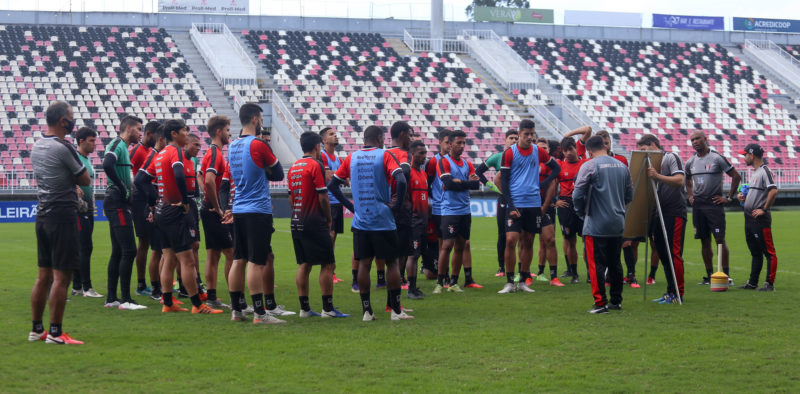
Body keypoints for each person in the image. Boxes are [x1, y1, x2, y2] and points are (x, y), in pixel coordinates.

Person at [137, 119, 222, 314]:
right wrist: (184, 200)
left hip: (161, 210)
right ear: (174, 134)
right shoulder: (174, 152)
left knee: (168, 257)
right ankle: (197, 305)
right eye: (184, 131)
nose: (187, 134)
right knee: (187, 260)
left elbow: (142, 180)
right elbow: (178, 173)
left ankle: (167, 303)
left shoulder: (159, 154)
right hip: (174, 212)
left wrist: (155, 200)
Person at [328, 125, 413, 321]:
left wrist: (350, 206)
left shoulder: (351, 158)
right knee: (391, 263)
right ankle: (396, 311)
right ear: (380, 138)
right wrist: (397, 205)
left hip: (361, 221)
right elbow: (401, 180)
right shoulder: (384, 155)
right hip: (382, 218)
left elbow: (332, 184)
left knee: (364, 264)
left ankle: (367, 311)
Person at [29, 101, 91, 344]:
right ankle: (55, 332)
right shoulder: (64, 147)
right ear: (63, 121)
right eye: (71, 117)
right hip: (63, 215)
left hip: (42, 213)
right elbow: (84, 179)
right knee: (61, 277)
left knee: (42, 275)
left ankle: (36, 329)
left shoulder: (38, 145)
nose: (73, 121)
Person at [227, 103, 291, 324]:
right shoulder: (258, 145)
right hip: (257, 209)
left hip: (239, 208)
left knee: (238, 259)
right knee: (256, 261)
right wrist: (264, 168)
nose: (262, 121)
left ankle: (236, 310)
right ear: (255, 118)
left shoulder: (233, 146)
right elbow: (278, 174)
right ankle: (259, 313)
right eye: (261, 117)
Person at [289, 132, 350, 318]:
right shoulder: (315, 165)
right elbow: (323, 196)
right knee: (328, 263)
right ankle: (328, 309)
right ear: (317, 146)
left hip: (297, 220)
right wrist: (328, 218)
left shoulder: (293, 167)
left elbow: (291, 197)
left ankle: (304, 309)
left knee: (304, 264)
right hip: (314, 220)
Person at [497, 120, 560, 294]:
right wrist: (510, 205)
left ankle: (523, 280)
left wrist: (545, 183)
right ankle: (510, 282)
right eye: (527, 134)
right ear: (519, 134)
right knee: (510, 240)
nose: (530, 137)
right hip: (516, 203)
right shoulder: (510, 153)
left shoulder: (538, 151)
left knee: (528, 242)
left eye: (532, 133)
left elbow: (555, 168)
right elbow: (504, 180)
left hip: (533, 204)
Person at [573, 136, 633, 314]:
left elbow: (577, 194)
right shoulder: (622, 166)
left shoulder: (590, 165)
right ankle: (616, 301)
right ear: (604, 147)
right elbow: (630, 194)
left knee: (596, 264)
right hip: (617, 222)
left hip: (596, 223)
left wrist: (581, 211)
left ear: (589, 151)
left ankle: (600, 303)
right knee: (615, 263)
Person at [637, 135, 687, 305]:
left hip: (674, 211)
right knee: (662, 253)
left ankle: (678, 292)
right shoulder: (651, 164)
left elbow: (680, 180)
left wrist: (657, 176)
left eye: (644, 150)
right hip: (658, 213)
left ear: (652, 144)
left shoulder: (671, 157)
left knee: (673, 253)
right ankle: (670, 291)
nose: (643, 154)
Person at [685, 131, 741, 285]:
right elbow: (687, 179)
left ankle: (725, 275)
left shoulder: (717, 158)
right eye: (692, 140)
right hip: (698, 206)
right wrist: (690, 195)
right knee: (704, 241)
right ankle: (710, 275)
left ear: (705, 139)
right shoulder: (690, 162)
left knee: (719, 239)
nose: (695, 142)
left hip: (714, 205)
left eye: (697, 138)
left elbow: (736, 176)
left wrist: (729, 197)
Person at [102, 115, 146, 310]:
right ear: (128, 128)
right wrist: (121, 187)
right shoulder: (118, 144)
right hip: (117, 203)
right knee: (129, 250)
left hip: (118, 202)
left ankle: (112, 298)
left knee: (119, 251)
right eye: (138, 129)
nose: (140, 133)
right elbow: (107, 164)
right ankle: (126, 299)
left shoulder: (124, 148)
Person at [431, 130, 481, 293]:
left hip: (465, 211)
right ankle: (440, 282)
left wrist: (459, 182)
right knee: (447, 245)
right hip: (450, 210)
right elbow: (448, 183)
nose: (462, 146)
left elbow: (476, 185)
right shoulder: (443, 161)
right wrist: (463, 183)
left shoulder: (467, 164)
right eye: (458, 143)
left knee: (461, 245)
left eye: (463, 143)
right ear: (450, 144)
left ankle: (453, 282)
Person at [200, 116, 234, 309]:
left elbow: (202, 177)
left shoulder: (213, 153)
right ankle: (236, 297)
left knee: (213, 255)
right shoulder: (215, 153)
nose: (230, 134)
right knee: (231, 253)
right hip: (212, 209)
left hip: (207, 208)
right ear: (219, 131)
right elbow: (209, 181)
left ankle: (212, 297)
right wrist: (218, 207)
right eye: (228, 130)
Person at [476, 129, 518, 277]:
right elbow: (478, 171)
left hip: (519, 199)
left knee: (519, 234)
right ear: (505, 140)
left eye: (516, 138)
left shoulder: (520, 157)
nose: (514, 140)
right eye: (511, 138)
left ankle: (521, 268)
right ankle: (501, 267)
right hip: (503, 199)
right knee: (502, 233)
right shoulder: (497, 157)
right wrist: (490, 185)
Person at [736, 144, 779, 292]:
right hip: (749, 219)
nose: (744, 157)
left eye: (745, 154)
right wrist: (744, 197)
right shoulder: (756, 172)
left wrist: (764, 209)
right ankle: (752, 282)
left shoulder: (764, 171)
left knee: (769, 252)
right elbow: (758, 194)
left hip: (760, 220)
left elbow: (773, 191)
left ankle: (769, 284)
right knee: (755, 252)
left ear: (752, 155)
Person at [133, 125, 167, 301]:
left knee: (157, 247)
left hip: (148, 203)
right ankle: (153, 288)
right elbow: (138, 179)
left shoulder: (154, 154)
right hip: (146, 204)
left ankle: (158, 286)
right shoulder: (149, 154)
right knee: (155, 247)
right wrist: (152, 200)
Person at [70, 127, 103, 298]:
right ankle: (86, 287)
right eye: (91, 140)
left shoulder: (85, 159)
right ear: (81, 141)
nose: (94, 144)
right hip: (78, 208)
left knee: (81, 247)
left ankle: (77, 286)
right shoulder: (74, 157)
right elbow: (66, 175)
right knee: (85, 246)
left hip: (88, 208)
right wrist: (74, 187)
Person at [129, 120, 160, 296]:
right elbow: (131, 176)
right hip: (140, 199)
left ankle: (156, 281)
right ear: (150, 134)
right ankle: (141, 283)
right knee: (144, 242)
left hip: (149, 197)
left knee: (153, 242)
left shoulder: (150, 151)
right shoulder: (137, 151)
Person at [555, 137, 587, 284]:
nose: (568, 153)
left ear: (576, 148)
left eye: (570, 149)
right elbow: (553, 185)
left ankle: (590, 273)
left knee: (587, 241)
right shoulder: (560, 166)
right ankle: (574, 274)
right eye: (565, 150)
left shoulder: (585, 164)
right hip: (566, 205)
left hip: (583, 204)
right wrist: (556, 201)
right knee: (570, 241)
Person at [318, 127, 346, 285]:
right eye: (331, 134)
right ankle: (327, 270)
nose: (335, 136)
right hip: (328, 201)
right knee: (329, 236)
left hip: (337, 202)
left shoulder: (338, 158)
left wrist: (338, 176)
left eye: (335, 133)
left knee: (333, 237)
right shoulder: (322, 156)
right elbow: (329, 177)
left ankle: (331, 271)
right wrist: (339, 176)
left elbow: (343, 178)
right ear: (324, 140)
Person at [534, 138, 563, 287]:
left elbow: (554, 184)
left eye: (544, 148)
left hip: (547, 205)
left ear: (548, 150)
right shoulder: (529, 162)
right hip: (530, 204)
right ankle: (529, 273)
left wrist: (547, 204)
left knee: (549, 240)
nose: (542, 150)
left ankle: (553, 276)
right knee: (527, 240)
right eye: (539, 148)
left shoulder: (552, 164)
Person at [182, 133, 205, 298]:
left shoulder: (193, 161)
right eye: (195, 145)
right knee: (182, 249)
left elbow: (195, 185)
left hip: (192, 206)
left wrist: (198, 203)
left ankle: (195, 282)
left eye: (199, 145)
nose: (198, 148)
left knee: (194, 245)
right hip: (182, 207)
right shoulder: (179, 160)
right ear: (186, 144)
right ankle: (187, 285)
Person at [406, 140, 429, 299]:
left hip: (423, 220)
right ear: (412, 154)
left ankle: (414, 287)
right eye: (421, 153)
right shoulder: (407, 172)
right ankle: (410, 289)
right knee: (412, 255)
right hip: (413, 220)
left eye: (425, 153)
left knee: (417, 254)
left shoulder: (423, 173)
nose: (424, 156)